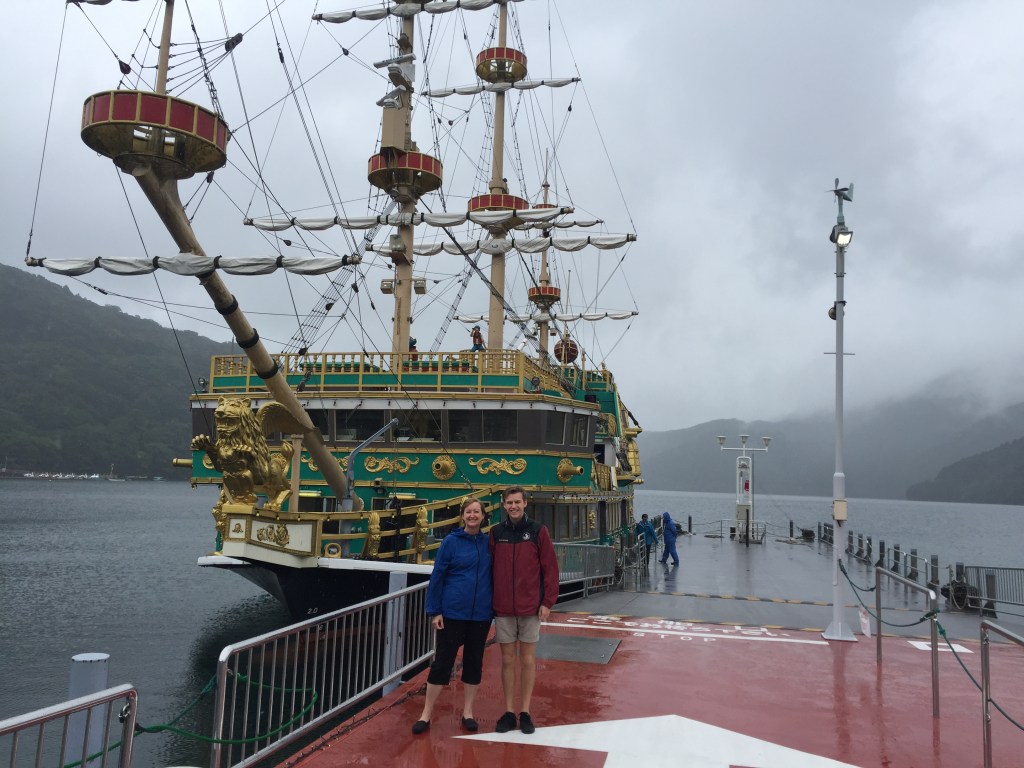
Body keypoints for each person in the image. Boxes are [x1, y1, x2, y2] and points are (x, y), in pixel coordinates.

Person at [412, 498, 493, 735]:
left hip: (480, 614)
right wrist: (434, 610)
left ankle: (468, 712)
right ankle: (426, 714)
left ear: (483, 516)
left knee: (474, 662)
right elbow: (438, 575)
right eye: (469, 512)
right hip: (453, 612)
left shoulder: (489, 543)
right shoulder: (451, 542)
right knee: (442, 663)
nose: (472, 515)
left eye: (477, 512)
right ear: (462, 516)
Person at [489, 486, 558, 735]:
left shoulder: (538, 531)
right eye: (509, 503)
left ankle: (525, 711)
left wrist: (547, 602)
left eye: (517, 502)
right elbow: (489, 569)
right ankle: (509, 711)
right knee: (507, 660)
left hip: (530, 607)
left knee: (528, 660)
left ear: (525, 503)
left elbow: (550, 568)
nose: (513, 506)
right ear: (504, 505)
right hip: (504, 608)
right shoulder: (496, 533)